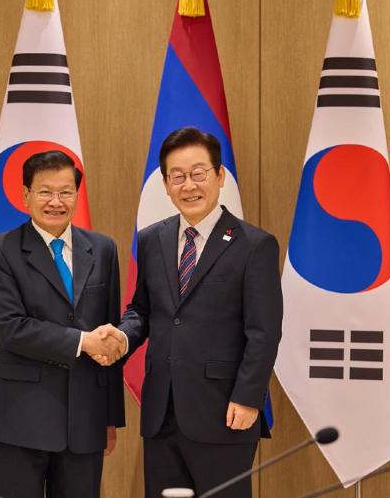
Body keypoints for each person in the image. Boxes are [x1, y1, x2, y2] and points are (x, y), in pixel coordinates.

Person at [111, 127, 283, 498]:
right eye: (178, 176)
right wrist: (123, 336)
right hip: (162, 412)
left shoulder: (255, 245)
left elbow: (264, 331)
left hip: (225, 412)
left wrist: (249, 396)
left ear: (219, 177)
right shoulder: (152, 239)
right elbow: (143, 309)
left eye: (198, 173)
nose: (189, 185)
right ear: (166, 183)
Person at [0, 150, 127, 498]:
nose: (56, 202)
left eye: (66, 192)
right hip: (19, 418)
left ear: (78, 194)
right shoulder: (1, 251)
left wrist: (109, 418)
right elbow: (12, 328)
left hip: (85, 421)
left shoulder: (103, 249)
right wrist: (82, 342)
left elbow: (109, 333)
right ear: (26, 194)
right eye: (45, 192)